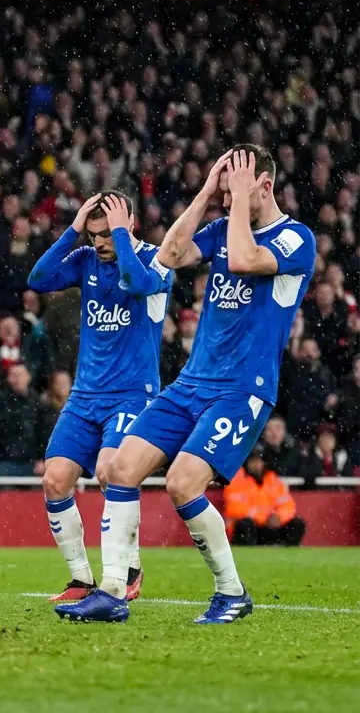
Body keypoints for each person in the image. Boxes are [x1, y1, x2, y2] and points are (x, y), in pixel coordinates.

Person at [58, 146, 315, 625]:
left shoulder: (296, 239)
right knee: (119, 469)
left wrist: (237, 199)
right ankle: (113, 592)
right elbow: (171, 255)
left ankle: (231, 592)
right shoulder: (219, 228)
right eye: (226, 185)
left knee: (181, 484)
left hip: (242, 390)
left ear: (264, 186)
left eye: (240, 185)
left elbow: (242, 260)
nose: (229, 194)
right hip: (191, 382)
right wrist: (205, 192)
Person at [27, 191, 171, 602]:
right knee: (54, 481)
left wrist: (122, 238)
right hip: (85, 395)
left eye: (108, 234)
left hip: (131, 394)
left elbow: (136, 282)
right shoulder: (87, 258)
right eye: (94, 235)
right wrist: (72, 231)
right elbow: (39, 278)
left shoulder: (156, 260)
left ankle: (129, 568)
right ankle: (81, 580)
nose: (101, 243)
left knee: (111, 472)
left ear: (129, 226)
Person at [224, 451, 306, 546]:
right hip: (251, 527)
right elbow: (235, 509)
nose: (256, 465)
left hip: (271, 526)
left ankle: (286, 550)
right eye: (253, 461)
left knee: (298, 523)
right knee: (245, 524)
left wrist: (279, 517)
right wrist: (264, 517)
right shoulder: (236, 480)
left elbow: (288, 505)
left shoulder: (273, 480)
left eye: (259, 461)